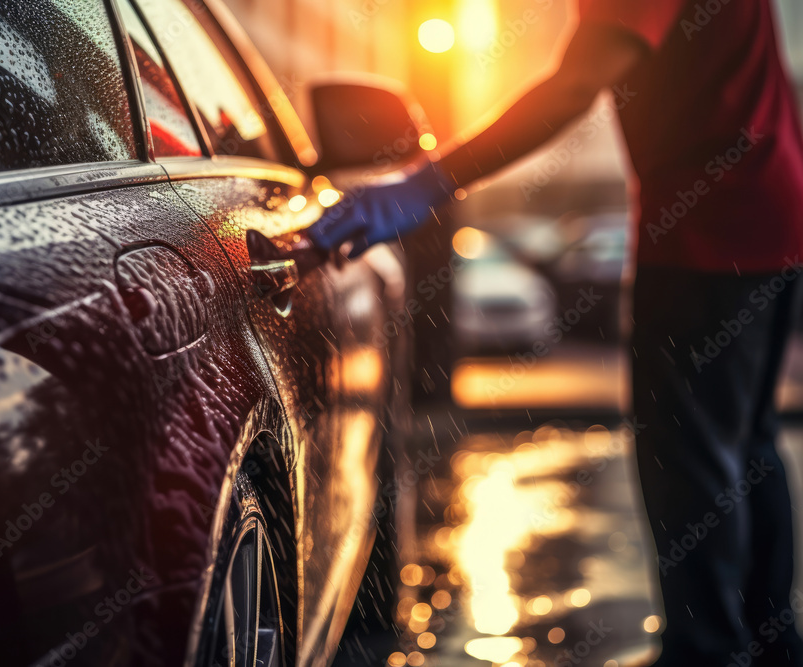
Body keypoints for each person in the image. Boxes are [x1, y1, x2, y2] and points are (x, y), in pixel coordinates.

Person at [309, 1, 803, 665]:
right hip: (774, 207)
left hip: (706, 232)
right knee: (746, 444)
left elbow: (575, 84)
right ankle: (771, 644)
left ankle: (708, 650)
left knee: (692, 459)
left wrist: (431, 179)